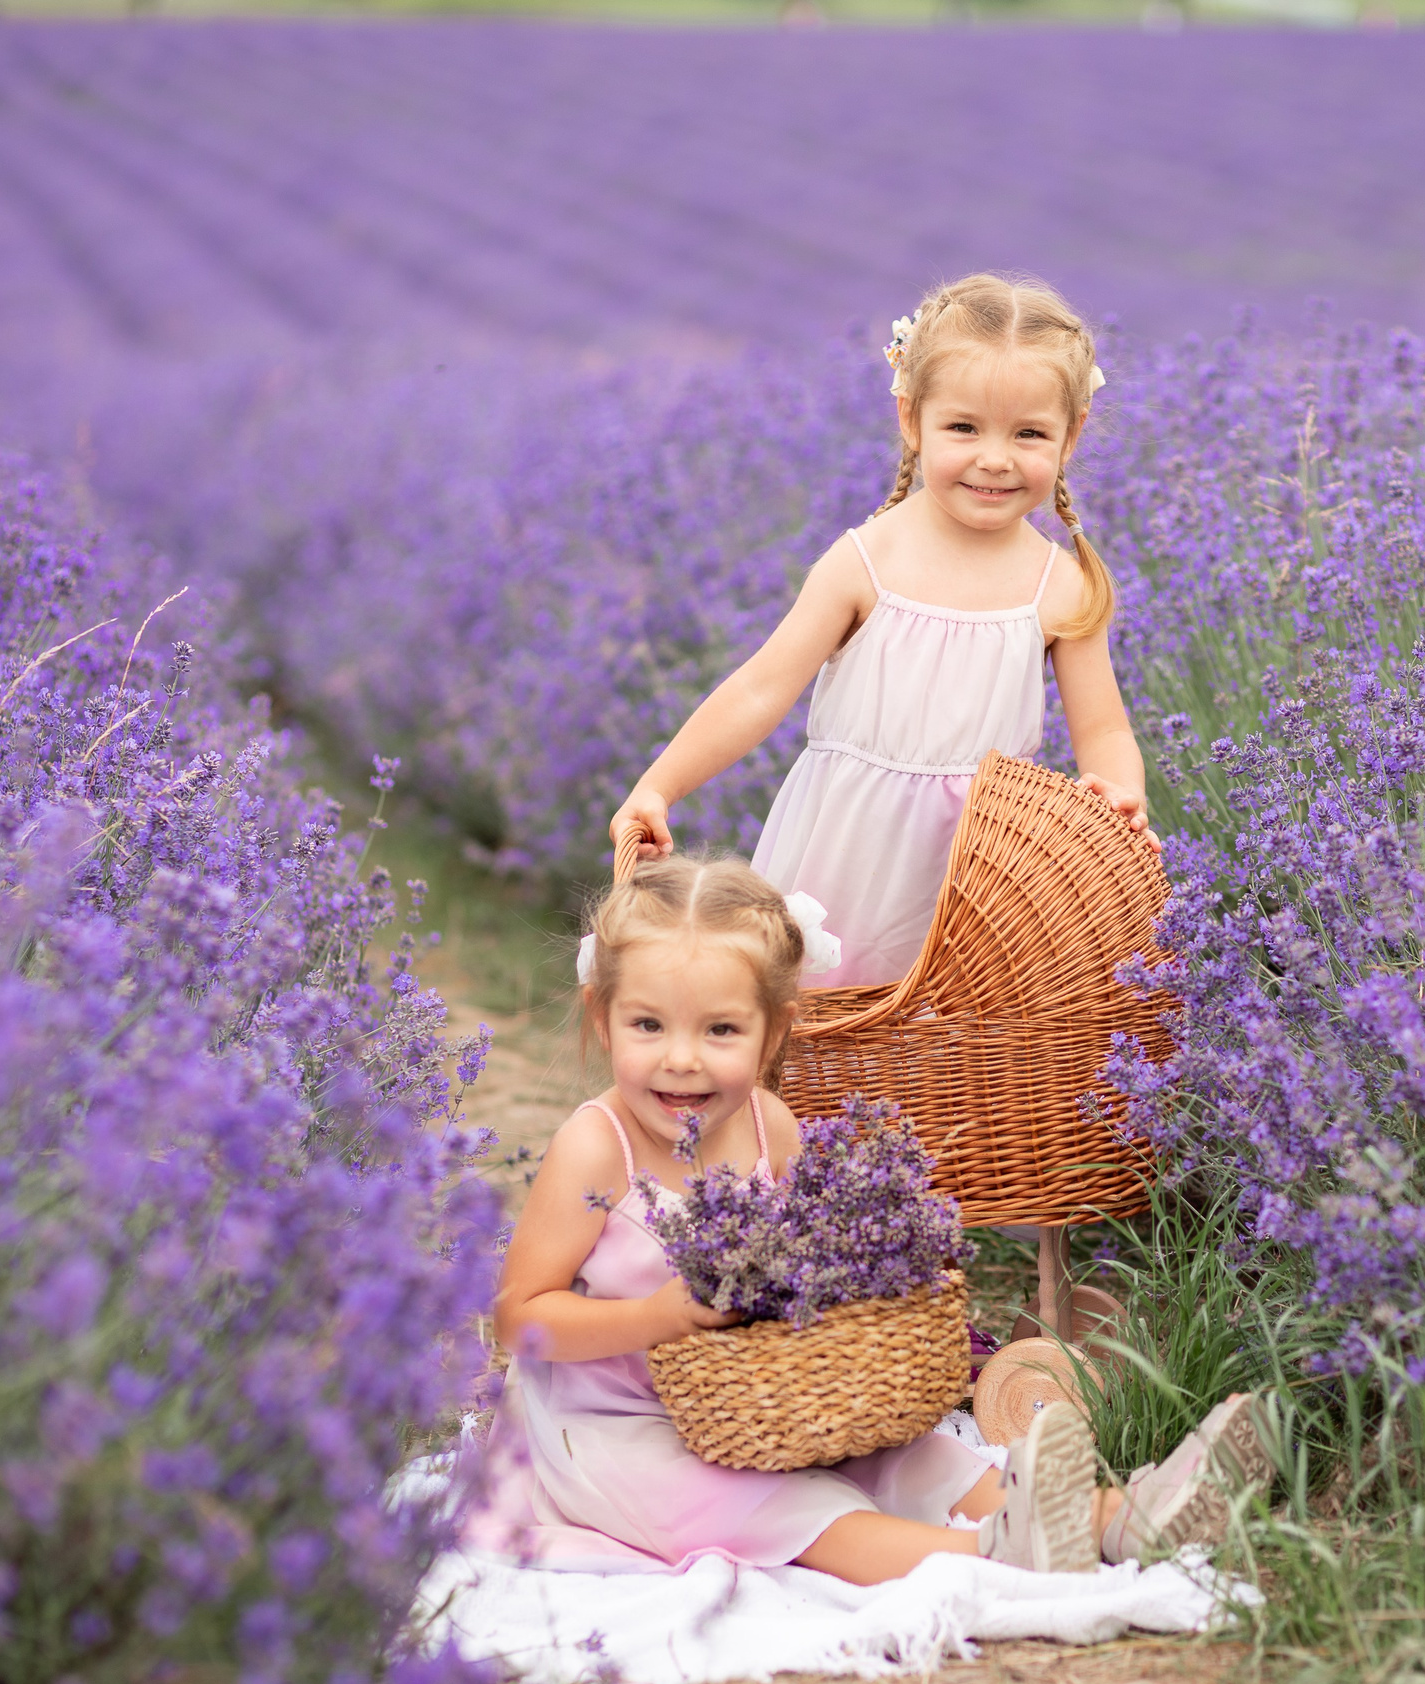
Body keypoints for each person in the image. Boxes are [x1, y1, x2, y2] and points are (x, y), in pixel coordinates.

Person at [471, 853, 1264, 1583]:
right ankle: (997, 1554)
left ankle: (1117, 1519)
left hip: (762, 1401)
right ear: (601, 1017)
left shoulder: (768, 1127)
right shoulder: (596, 1147)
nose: (682, 1058)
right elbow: (520, 1319)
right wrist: (655, 1317)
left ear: (773, 1030)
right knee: (791, 1509)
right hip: (618, 1429)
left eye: (720, 1030)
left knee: (904, 1456)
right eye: (648, 1026)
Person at [607, 274, 1153, 990]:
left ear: (1071, 435)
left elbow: (1105, 731)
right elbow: (760, 689)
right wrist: (659, 785)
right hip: (842, 848)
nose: (995, 457)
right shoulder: (865, 562)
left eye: (1029, 434)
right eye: (963, 427)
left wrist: (1117, 803)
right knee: (810, 1021)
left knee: (946, 1045)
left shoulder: (1060, 585)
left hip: (974, 870)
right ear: (910, 419)